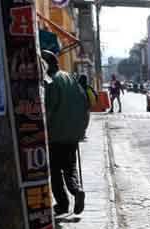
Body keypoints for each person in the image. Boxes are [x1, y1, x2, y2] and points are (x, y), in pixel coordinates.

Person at [43, 51, 90, 216]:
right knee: (70, 167)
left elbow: (47, 109)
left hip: (55, 134)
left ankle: (63, 204)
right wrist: (82, 129)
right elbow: (84, 102)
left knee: (55, 171)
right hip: (73, 133)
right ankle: (77, 190)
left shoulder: (49, 82)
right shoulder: (70, 78)